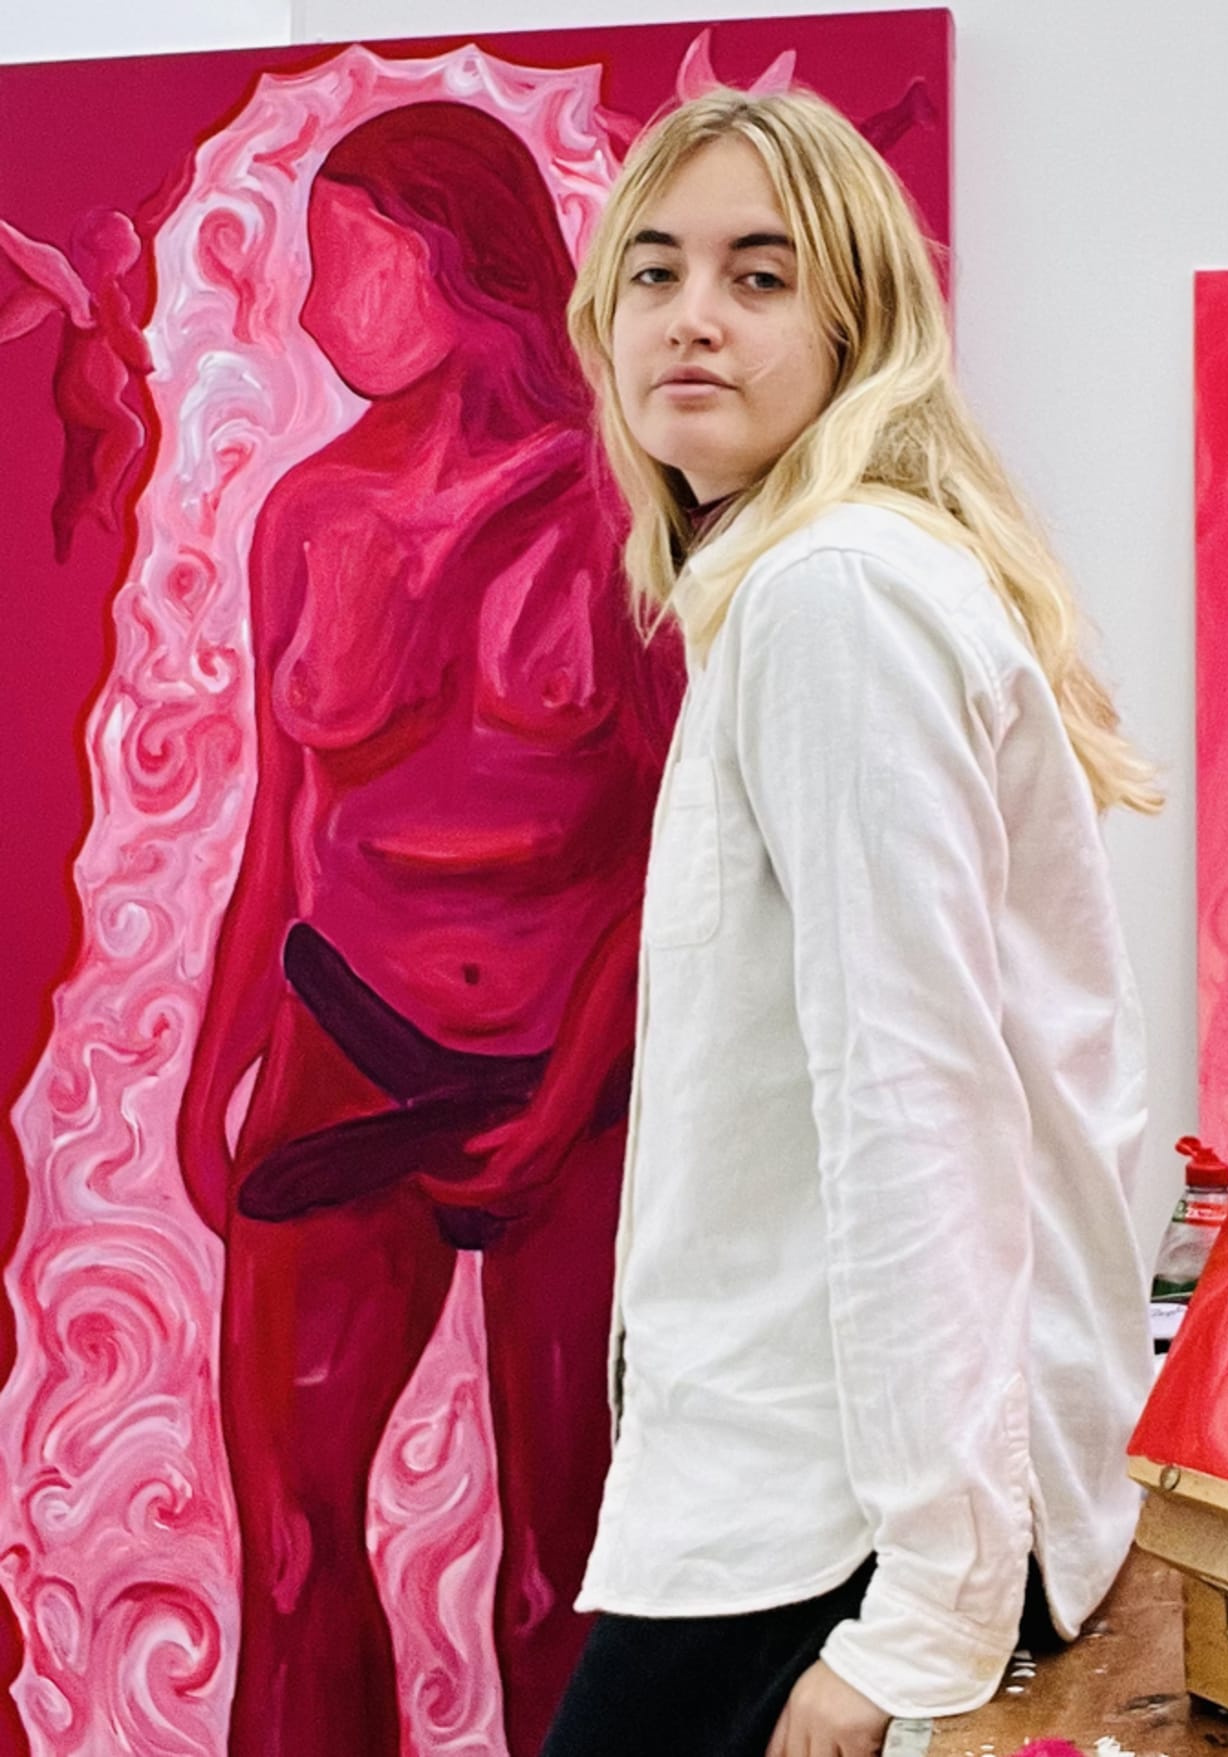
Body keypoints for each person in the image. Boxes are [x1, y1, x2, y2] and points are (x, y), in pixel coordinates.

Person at [542, 87, 1159, 1757]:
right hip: (824, 1494)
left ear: (853, 324)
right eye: (656, 271)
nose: (691, 318)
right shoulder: (826, 581)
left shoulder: (830, 597)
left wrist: (925, 1615)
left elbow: (917, 1107)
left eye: (759, 275)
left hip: (827, 1522)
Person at [175, 102, 681, 1756]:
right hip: (343, 1044)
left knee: (558, 1577)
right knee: (298, 1545)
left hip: (580, 1075)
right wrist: (215, 1070)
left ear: (464, 269)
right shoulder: (307, 518)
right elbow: (283, 833)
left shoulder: (632, 515)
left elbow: (685, 859)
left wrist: (564, 1101)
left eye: (349, 263)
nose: (318, 309)